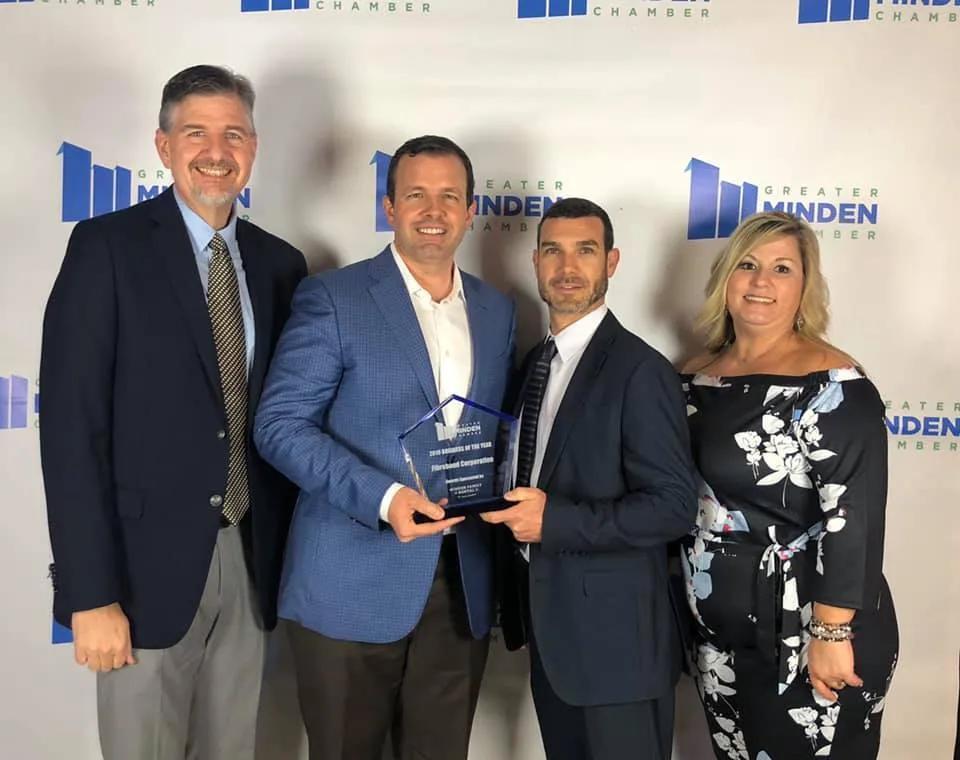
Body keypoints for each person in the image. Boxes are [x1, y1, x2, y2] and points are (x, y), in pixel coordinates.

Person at [39, 65, 306, 759]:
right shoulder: (106, 248)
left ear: (253, 147)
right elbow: (71, 432)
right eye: (195, 133)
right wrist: (90, 594)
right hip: (138, 579)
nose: (216, 151)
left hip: (250, 563)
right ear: (163, 146)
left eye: (233, 134)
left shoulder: (281, 265)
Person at [253, 135, 515, 760]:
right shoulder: (334, 297)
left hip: (459, 587)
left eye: (449, 196)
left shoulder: (497, 310)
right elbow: (280, 424)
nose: (433, 210)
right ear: (390, 207)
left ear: (470, 210)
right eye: (416, 195)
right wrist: (385, 497)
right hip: (348, 581)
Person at [679, 211, 898, 759]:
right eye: (747, 265)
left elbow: (854, 518)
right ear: (726, 277)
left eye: (782, 269)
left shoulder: (834, 386)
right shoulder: (693, 376)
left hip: (809, 636)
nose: (761, 282)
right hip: (720, 638)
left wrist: (831, 634)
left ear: (805, 286)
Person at [487, 197, 697, 760]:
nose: (567, 267)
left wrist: (554, 521)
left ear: (612, 262)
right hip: (552, 640)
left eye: (585, 250)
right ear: (535, 262)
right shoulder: (534, 364)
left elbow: (674, 506)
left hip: (618, 653)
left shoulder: (640, 370)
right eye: (553, 251)